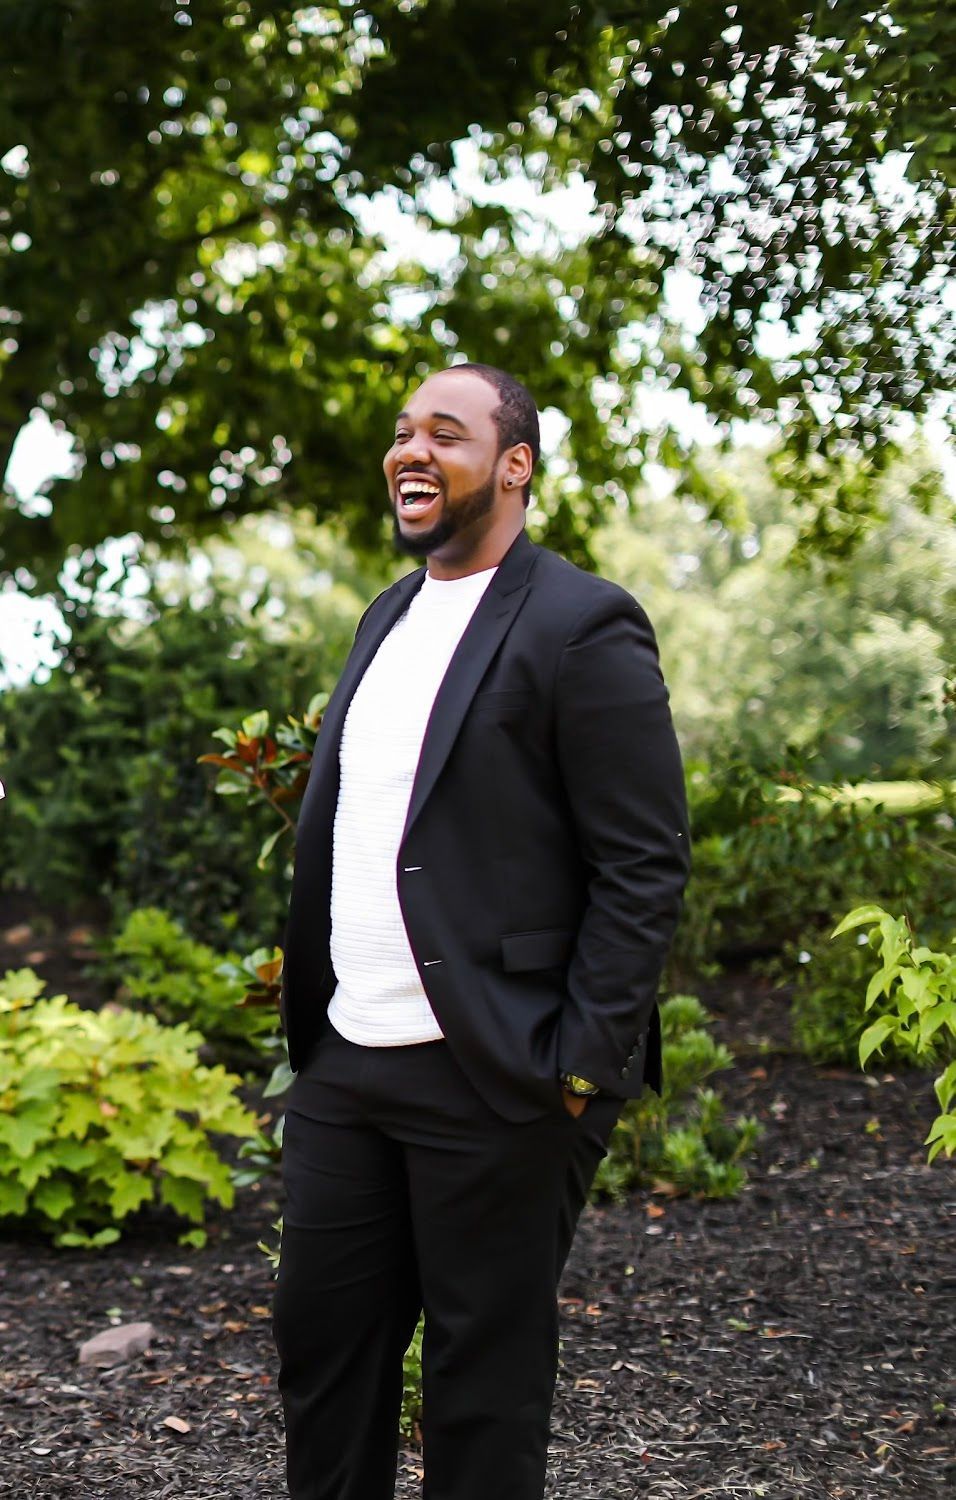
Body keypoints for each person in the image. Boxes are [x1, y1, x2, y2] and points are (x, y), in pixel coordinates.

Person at [273, 362, 690, 1500]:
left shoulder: (579, 622)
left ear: (512, 465)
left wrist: (576, 1070)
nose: (410, 450)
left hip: (496, 1075)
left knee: (482, 1395)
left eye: (443, 434)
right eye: (401, 431)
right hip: (347, 1066)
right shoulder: (387, 614)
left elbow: (642, 861)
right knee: (322, 1363)